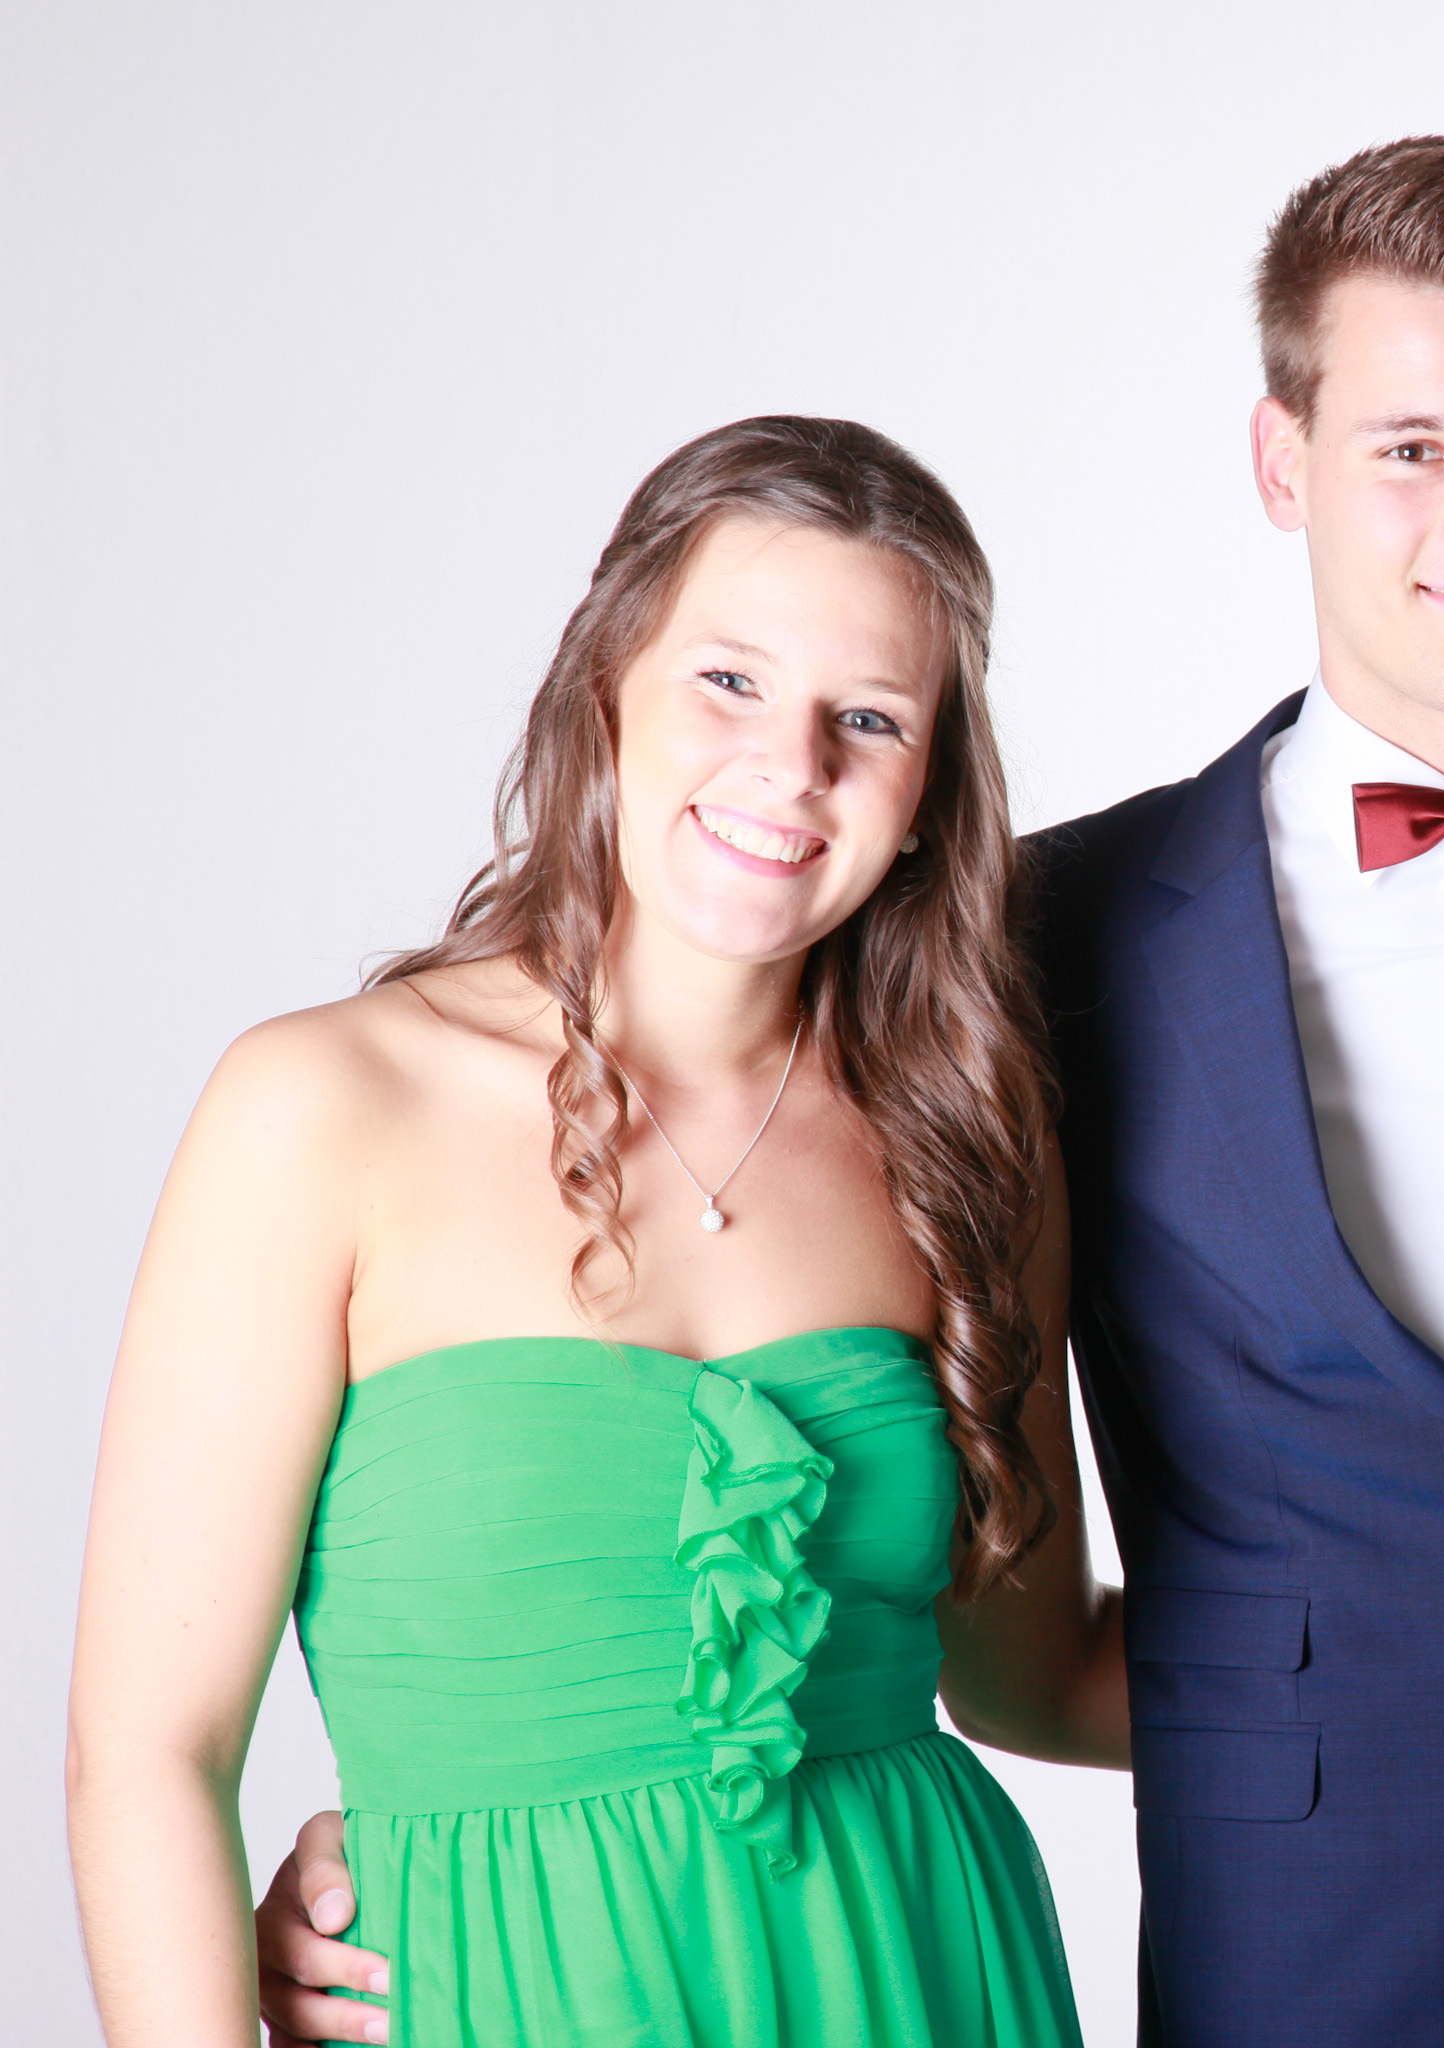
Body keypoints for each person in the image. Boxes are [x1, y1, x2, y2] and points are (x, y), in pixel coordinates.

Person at [248, 139, 1444, 2047]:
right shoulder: (1053, 939)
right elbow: (911, 1570)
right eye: (1410, 445)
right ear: (1280, 461)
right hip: (1325, 1958)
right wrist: (441, 1831)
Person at [71, 417, 1125, 2048]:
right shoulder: (321, 1107)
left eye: (868, 717)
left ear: (931, 793)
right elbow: (150, 1756)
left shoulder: (970, 1141)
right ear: (604, 689)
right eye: (730, 681)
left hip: (915, 1976)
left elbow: (1029, 1675)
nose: (792, 766)